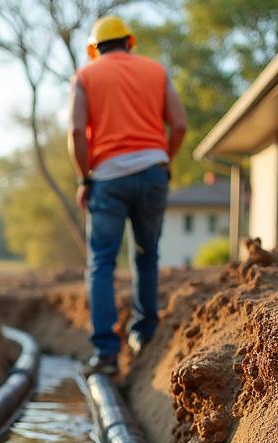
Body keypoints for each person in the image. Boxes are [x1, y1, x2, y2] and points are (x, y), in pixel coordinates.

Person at [68, 15, 187, 376]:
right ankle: (143, 336)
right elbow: (180, 125)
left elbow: (76, 132)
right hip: (153, 172)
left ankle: (106, 354)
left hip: (107, 178)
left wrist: (84, 179)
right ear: (129, 42)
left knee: (102, 263)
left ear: (94, 49)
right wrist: (164, 161)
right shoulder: (156, 71)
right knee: (146, 254)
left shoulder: (86, 76)